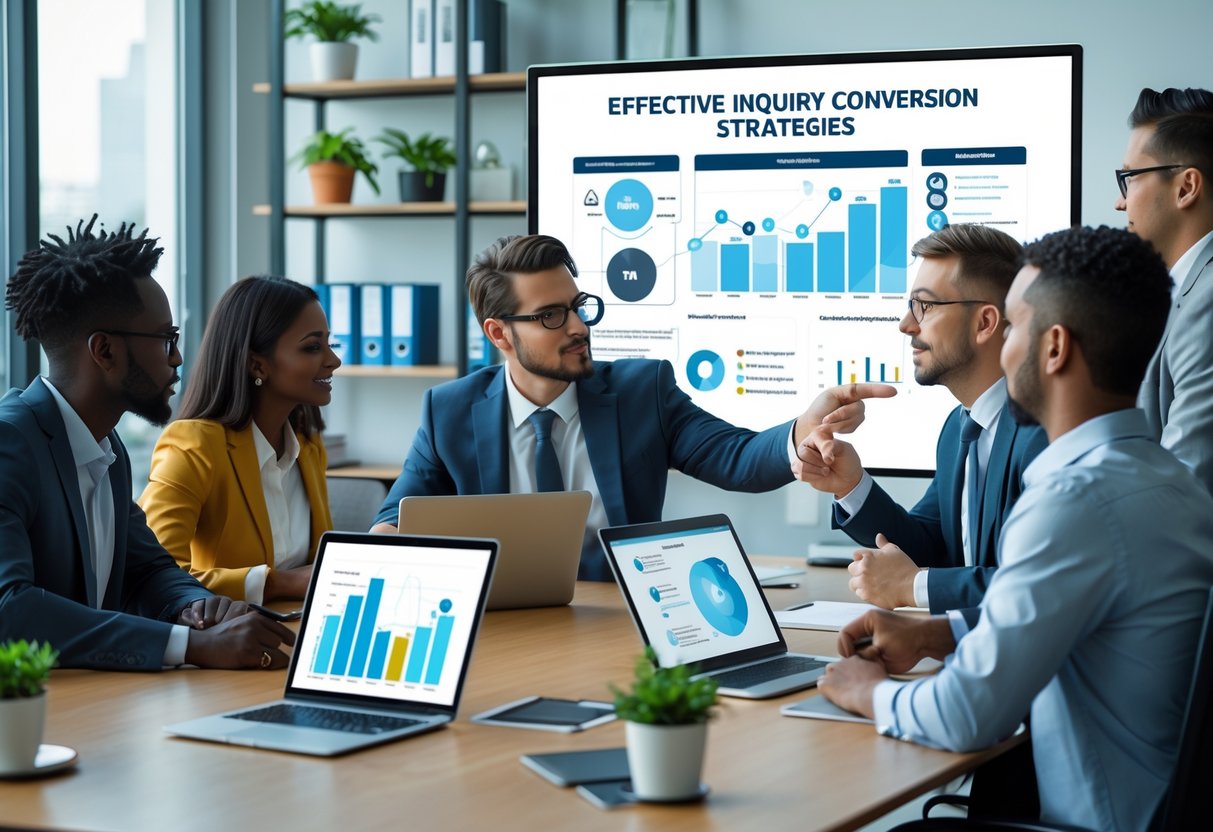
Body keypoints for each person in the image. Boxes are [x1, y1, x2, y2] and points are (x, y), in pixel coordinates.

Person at [818, 225, 1213, 832]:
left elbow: (964, 715)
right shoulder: (1171, 482)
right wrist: (937, 635)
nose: (1004, 346)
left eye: (1016, 325)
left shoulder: (1073, 500)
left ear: (1052, 349)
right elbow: (1082, 613)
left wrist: (862, 689)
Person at [370, 234, 892, 580]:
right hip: (499, 623)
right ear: (499, 333)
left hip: (624, 616)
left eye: (578, 307)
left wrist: (806, 423)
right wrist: (386, 544)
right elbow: (398, 515)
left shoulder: (644, 390)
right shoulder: (449, 409)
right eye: (551, 316)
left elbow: (738, 458)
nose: (578, 327)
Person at [0, 216, 295, 670]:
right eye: (166, 339)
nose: (178, 359)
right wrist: (189, 646)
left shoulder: (104, 447)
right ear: (105, 351)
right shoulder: (10, 442)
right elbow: (9, 610)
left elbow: (150, 569)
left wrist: (199, 608)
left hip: (91, 703)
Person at [794, 224, 1046, 613]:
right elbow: (929, 545)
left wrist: (913, 586)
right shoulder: (959, 429)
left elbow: (1039, 586)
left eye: (924, 306)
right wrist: (850, 485)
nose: (906, 324)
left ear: (985, 323)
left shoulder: (1042, 433)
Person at [139, 276, 339, 602]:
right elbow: (154, 575)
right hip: (224, 642)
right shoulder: (194, 445)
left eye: (331, 344)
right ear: (256, 364)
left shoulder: (307, 446)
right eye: (313, 347)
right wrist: (278, 583)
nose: (333, 361)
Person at [1117, 87, 1213, 493]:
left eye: (1129, 179)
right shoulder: (1186, 294)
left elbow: (1181, 488)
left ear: (1186, 187)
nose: (1120, 203)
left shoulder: (1207, 300)